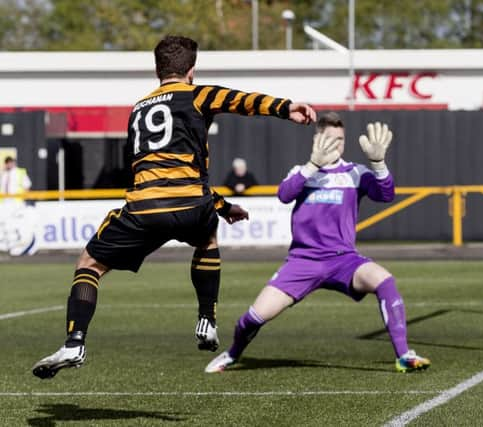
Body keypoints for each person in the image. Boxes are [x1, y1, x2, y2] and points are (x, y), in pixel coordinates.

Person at [32, 35, 317, 379]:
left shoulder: (138, 110)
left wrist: (221, 205)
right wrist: (286, 108)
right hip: (192, 203)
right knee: (207, 240)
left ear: (157, 70)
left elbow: (155, 170)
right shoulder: (197, 94)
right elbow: (240, 100)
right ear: (192, 71)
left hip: (145, 207)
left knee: (89, 265)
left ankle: (75, 341)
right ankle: (207, 320)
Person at [205, 113, 430, 374]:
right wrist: (312, 165)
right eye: (330, 139)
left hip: (343, 260)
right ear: (317, 139)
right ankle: (233, 354)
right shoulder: (302, 172)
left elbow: (386, 194)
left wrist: (379, 163)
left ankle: (403, 355)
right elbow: (284, 195)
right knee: (254, 318)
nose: (337, 144)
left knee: (385, 281)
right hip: (302, 262)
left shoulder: (355, 173)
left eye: (341, 140)